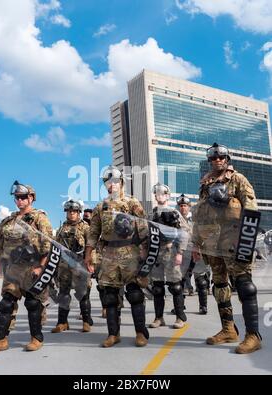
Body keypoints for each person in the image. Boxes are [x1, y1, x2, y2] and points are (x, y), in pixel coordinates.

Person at [192, 143, 262, 354]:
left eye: (221, 157)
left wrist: (246, 240)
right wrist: (196, 243)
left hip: (234, 241)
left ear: (227, 159)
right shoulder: (205, 184)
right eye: (213, 158)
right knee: (220, 287)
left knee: (244, 286)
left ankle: (253, 335)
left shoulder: (238, 180)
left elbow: (251, 209)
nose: (217, 160)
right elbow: (199, 216)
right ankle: (228, 329)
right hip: (212, 245)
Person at [0, 181, 53, 355]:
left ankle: (36, 338)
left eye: (23, 197)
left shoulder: (39, 218)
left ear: (31, 198)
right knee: (6, 304)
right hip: (12, 269)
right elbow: (1, 245)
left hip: (32, 268)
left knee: (32, 303)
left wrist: (41, 267)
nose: (19, 201)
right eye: (17, 197)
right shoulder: (8, 221)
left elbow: (48, 244)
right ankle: (0, 340)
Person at [84, 166, 149, 347]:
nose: (111, 185)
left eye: (114, 182)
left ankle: (140, 333)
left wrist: (145, 249)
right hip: (109, 255)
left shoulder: (132, 203)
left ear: (121, 183)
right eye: (107, 182)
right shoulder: (100, 207)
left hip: (131, 253)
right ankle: (114, 334)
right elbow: (93, 232)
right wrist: (88, 254)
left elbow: (143, 226)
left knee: (135, 294)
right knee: (110, 297)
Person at [149, 183, 189, 329]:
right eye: (157, 193)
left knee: (176, 287)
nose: (160, 196)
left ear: (167, 195)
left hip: (171, 252)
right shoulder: (152, 214)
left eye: (162, 193)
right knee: (157, 288)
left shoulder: (175, 213)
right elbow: (147, 233)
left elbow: (184, 233)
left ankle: (180, 317)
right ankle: (159, 318)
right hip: (156, 253)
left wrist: (180, 252)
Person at [51, 199, 93, 333]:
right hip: (64, 267)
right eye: (69, 211)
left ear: (79, 212)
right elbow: (56, 247)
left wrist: (91, 263)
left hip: (80, 265)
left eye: (74, 211)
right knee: (63, 294)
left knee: (83, 294)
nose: (71, 214)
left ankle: (86, 321)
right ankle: (62, 322)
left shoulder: (86, 227)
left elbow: (91, 246)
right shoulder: (62, 228)